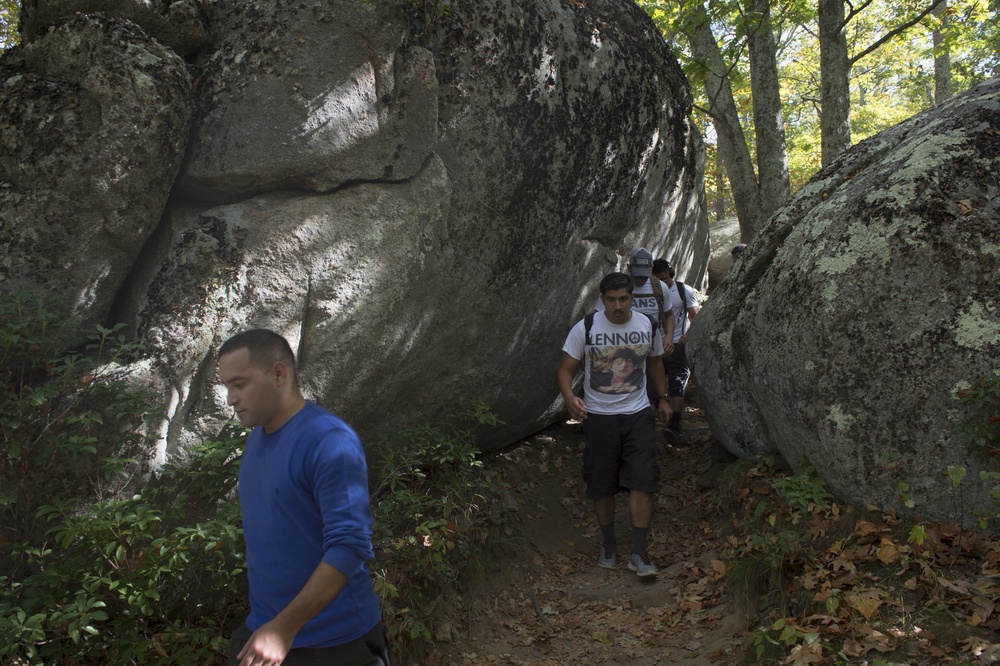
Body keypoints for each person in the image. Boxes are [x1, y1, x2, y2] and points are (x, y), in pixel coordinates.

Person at [218, 329, 390, 666]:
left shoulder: (328, 440)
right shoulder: (256, 440)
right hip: (267, 632)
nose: (230, 398)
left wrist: (285, 627)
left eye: (239, 384)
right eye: (227, 387)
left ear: (278, 374)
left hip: (336, 643)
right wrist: (274, 628)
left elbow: (350, 545)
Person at [558, 272, 672, 577]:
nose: (618, 306)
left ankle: (638, 551)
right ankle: (608, 543)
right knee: (601, 484)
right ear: (602, 299)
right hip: (598, 417)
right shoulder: (586, 327)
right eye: (611, 299)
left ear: (632, 297)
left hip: (637, 415)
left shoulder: (647, 324)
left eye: (623, 298)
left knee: (643, 479)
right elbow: (566, 369)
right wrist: (570, 398)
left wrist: (662, 397)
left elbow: (655, 362)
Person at [595, 248, 674, 408]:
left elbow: (669, 315)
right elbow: (599, 318)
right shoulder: (617, 287)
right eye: (637, 275)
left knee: (650, 400)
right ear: (629, 268)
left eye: (644, 275)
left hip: (650, 351)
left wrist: (668, 337)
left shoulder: (659, 288)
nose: (640, 280)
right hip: (622, 353)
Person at [651, 259, 701, 434]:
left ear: (671, 274)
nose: (664, 283)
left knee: (677, 381)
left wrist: (687, 335)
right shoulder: (648, 292)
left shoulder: (683, 290)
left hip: (677, 343)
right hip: (653, 345)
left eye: (666, 278)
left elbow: (696, 315)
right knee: (651, 384)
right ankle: (647, 426)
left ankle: (675, 423)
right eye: (659, 280)